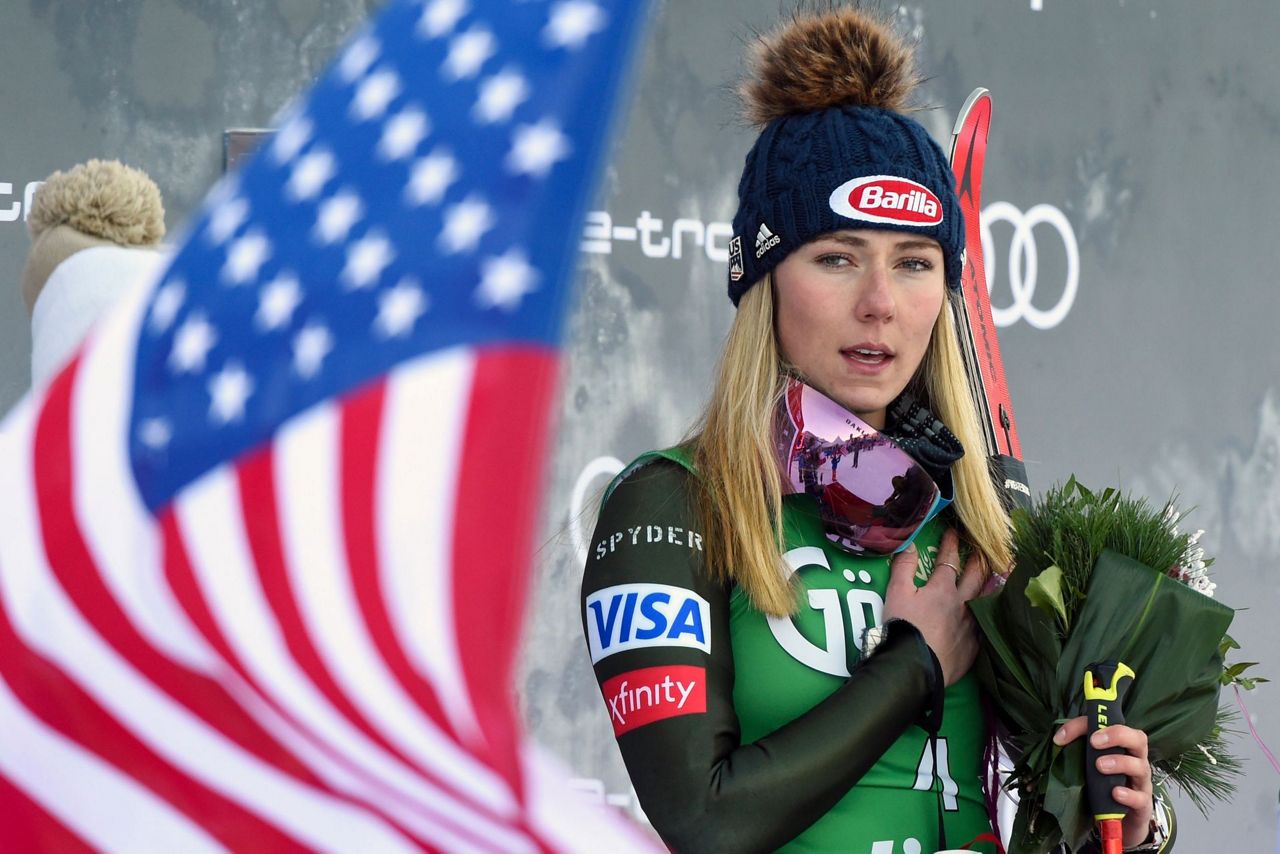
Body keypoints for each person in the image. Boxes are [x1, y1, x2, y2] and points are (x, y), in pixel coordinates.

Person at [580, 8, 1169, 853]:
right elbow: (703, 821)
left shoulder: (981, 517)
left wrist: (1126, 822)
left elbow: (1047, 816)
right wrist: (913, 665)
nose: (881, 303)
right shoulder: (670, 502)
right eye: (838, 256)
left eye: (914, 263)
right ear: (764, 282)